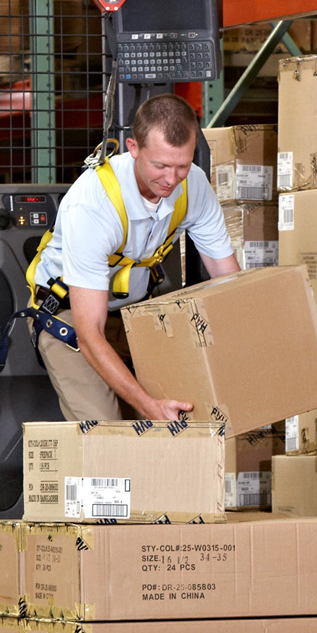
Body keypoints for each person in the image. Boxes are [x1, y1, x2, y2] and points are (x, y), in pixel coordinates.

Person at [25, 93, 240, 422]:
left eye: (181, 166)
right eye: (161, 166)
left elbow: (230, 284)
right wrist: (149, 406)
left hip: (136, 315)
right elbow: (89, 333)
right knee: (109, 433)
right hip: (70, 319)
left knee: (194, 406)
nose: (171, 179)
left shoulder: (194, 186)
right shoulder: (95, 204)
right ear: (134, 148)